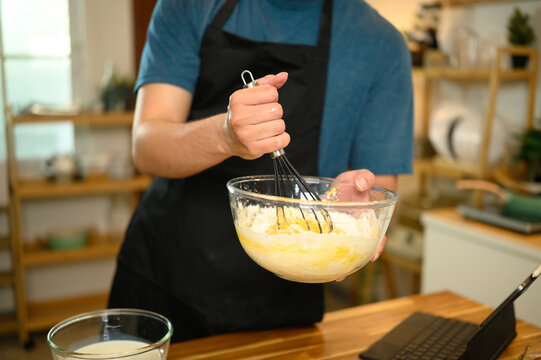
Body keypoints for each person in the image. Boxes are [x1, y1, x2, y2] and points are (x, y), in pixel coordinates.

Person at [109, 0, 413, 343]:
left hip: (286, 297)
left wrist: (355, 211)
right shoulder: (191, 5)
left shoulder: (381, 43)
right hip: (167, 277)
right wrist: (224, 135)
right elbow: (146, 148)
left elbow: (380, 187)